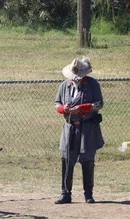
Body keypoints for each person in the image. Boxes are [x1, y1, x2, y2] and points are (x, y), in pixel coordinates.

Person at [54, 57, 104, 204]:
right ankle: (65, 193)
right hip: (69, 127)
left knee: (87, 161)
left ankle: (88, 194)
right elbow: (57, 103)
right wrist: (63, 109)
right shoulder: (64, 85)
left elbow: (99, 104)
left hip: (87, 127)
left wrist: (84, 108)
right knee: (66, 160)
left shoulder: (93, 84)